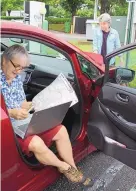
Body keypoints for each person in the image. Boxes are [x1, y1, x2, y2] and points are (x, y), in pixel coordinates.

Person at [1, 44, 93, 187]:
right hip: (9, 129)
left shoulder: (17, 78)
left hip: (24, 122)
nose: (19, 71)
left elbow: (23, 103)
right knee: (36, 142)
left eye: (23, 68)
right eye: (17, 66)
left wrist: (40, 102)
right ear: (4, 60)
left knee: (61, 130)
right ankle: (63, 167)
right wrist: (11, 112)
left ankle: (73, 168)